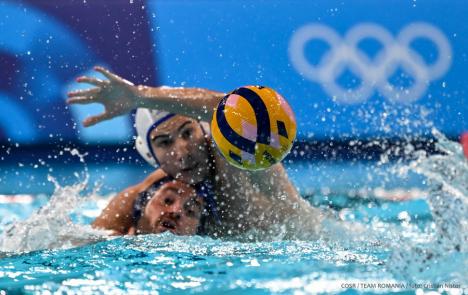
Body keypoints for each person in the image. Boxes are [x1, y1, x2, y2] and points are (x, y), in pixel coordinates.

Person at [69, 67, 326, 239]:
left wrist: (140, 96)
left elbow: (231, 106)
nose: (182, 153)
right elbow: (81, 247)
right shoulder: (143, 196)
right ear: (151, 155)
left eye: (187, 133)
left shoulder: (235, 150)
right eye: (164, 143)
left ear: (204, 130)